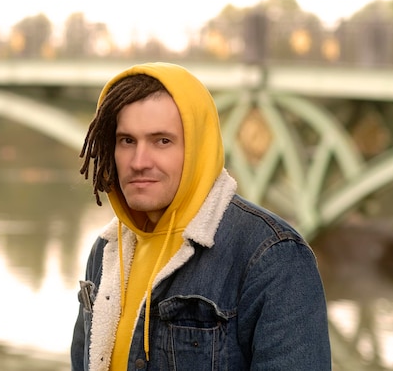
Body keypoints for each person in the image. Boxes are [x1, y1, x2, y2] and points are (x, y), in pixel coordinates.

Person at [71, 62, 331, 370]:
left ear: (197, 148)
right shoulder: (107, 250)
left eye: (162, 141)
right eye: (127, 140)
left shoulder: (272, 257)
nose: (139, 161)